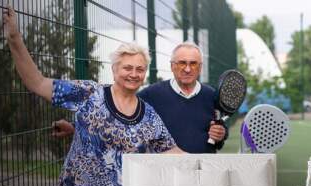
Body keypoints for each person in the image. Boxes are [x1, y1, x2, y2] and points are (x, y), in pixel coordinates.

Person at [3, 6, 183, 186]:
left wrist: (209, 166)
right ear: (114, 70)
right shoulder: (89, 93)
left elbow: (172, 152)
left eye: (140, 69)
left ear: (145, 73)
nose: (134, 74)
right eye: (127, 68)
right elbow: (37, 82)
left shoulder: (149, 115)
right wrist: (15, 38)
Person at [53, 42, 227, 153]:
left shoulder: (211, 95)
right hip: (162, 174)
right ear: (172, 66)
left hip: (202, 169)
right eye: (182, 63)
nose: (187, 69)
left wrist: (221, 135)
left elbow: (219, 131)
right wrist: (76, 127)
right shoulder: (151, 94)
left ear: (200, 67)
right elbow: (116, 114)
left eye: (193, 63)